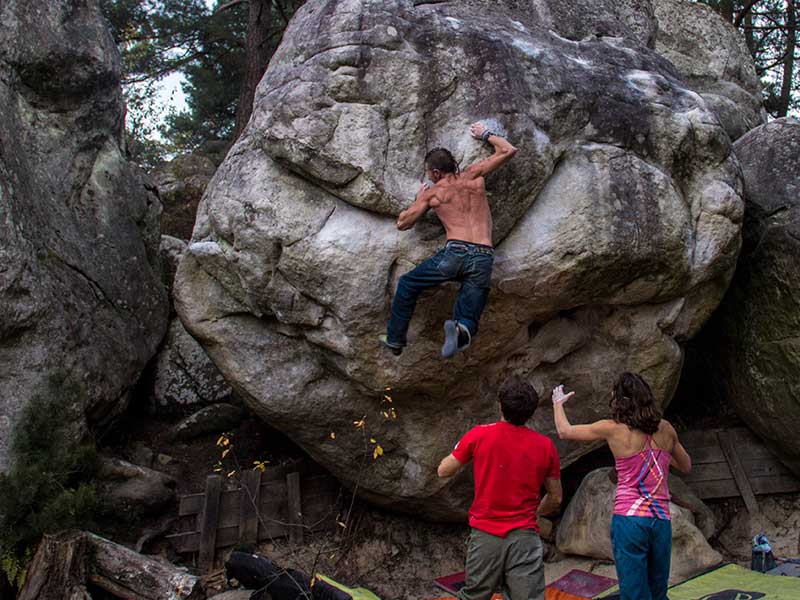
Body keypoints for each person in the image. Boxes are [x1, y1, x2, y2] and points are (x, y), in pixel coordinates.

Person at [379, 121, 517, 359]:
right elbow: (508, 150)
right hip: (483, 253)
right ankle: (461, 329)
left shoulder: (433, 193)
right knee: (469, 311)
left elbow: (403, 224)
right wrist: (485, 134)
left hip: (455, 253)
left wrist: (419, 198)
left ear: (434, 173)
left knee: (408, 284)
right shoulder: (474, 175)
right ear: (453, 165)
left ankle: (394, 339)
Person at [551, 373, 692, 600]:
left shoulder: (612, 429)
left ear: (619, 400)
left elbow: (564, 431)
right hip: (660, 520)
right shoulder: (666, 429)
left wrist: (558, 403)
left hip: (629, 520)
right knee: (658, 591)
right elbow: (685, 465)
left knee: (633, 593)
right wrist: (660, 457)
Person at [438, 377, 563, 600]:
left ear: (500, 405)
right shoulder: (545, 446)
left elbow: (443, 470)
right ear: (531, 412)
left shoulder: (479, 435)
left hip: (486, 534)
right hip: (524, 536)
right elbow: (555, 497)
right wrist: (536, 513)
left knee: (474, 595)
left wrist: (464, 447)